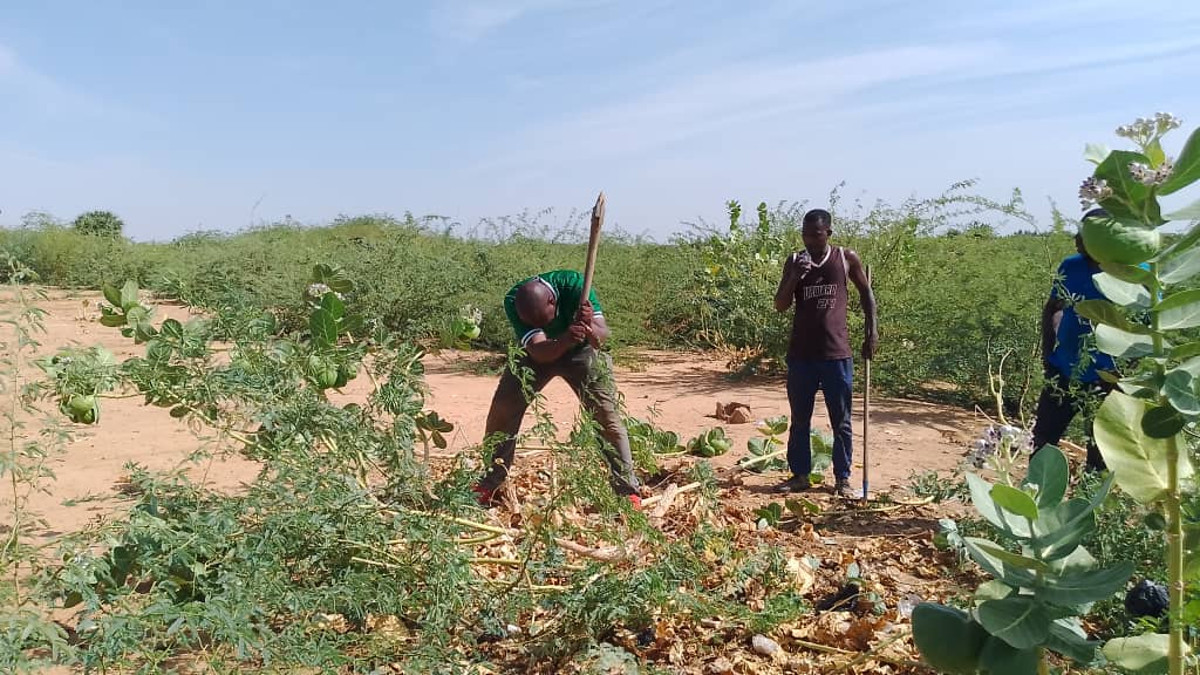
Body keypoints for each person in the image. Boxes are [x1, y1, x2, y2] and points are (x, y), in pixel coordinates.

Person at [472, 269, 642, 509]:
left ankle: (627, 490)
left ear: (554, 301)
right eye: (536, 324)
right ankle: (491, 483)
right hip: (538, 353)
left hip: (582, 352)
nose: (545, 325)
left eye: (548, 320)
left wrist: (591, 325)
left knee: (606, 416)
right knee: (503, 409)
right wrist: (564, 338)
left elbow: (603, 339)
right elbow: (539, 351)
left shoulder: (575, 285)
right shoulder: (514, 300)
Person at [773, 209, 877, 498]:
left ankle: (842, 479)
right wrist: (794, 276)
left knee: (841, 420)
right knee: (800, 420)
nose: (810, 240)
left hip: (837, 355)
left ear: (828, 233)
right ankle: (800, 475)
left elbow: (867, 295)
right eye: (805, 235)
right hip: (802, 356)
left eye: (816, 234)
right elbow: (780, 304)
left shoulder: (845, 257)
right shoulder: (795, 261)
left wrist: (872, 332)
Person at [1031, 208, 1119, 471]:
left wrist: (1124, 374)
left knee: (1101, 450)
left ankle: (1090, 507)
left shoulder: (1136, 275)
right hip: (1064, 372)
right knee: (1043, 441)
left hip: (1108, 381)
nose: (1076, 240)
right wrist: (1048, 356)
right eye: (1079, 233)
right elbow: (1053, 308)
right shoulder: (1071, 266)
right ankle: (1038, 499)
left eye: (1085, 235)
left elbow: (1149, 330)